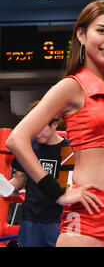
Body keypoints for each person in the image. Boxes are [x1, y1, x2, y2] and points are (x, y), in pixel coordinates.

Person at [5, 0, 104, 247]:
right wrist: (57, 193)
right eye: (102, 30)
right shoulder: (72, 86)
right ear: (81, 34)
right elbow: (17, 139)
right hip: (90, 210)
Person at [7, 101, 69, 247]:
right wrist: (5, 187)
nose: (37, 133)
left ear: (54, 124)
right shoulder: (27, 147)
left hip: (58, 220)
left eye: (41, 128)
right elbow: (19, 179)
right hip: (31, 220)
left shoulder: (68, 151)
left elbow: (70, 187)